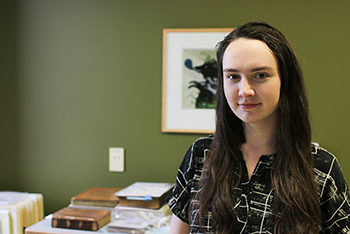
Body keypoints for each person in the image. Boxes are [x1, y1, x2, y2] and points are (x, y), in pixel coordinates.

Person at [168, 22, 350, 234]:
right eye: (233, 76)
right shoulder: (201, 155)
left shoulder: (321, 168)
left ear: (285, 80)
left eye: (260, 75)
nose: (245, 90)